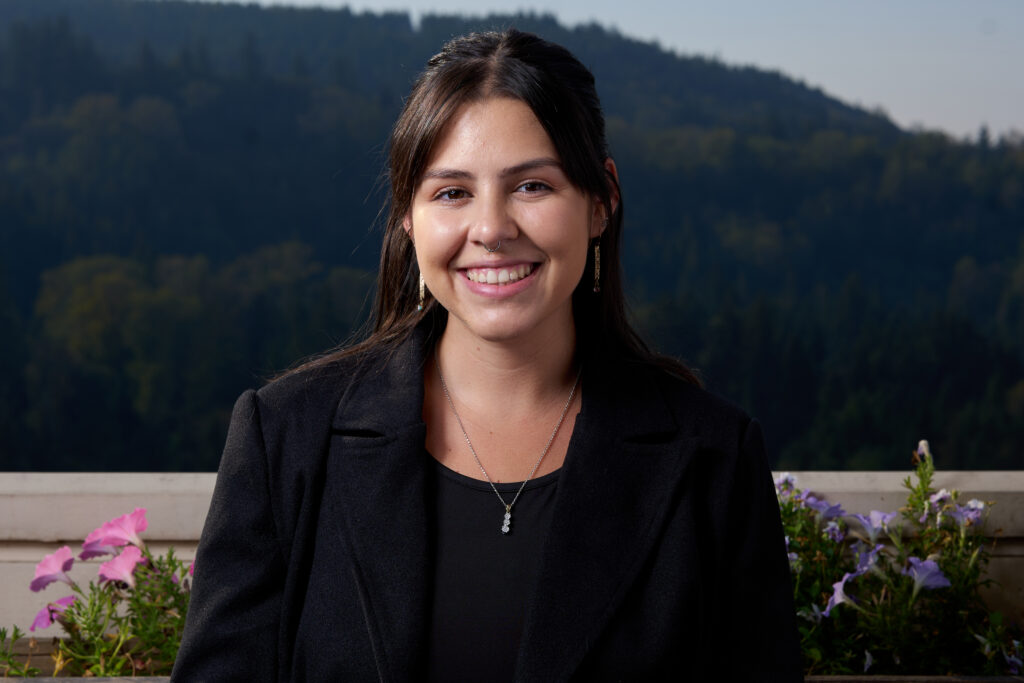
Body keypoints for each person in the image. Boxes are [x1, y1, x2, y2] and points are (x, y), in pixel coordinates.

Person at [171, 28, 801, 682]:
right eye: (452, 192)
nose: (492, 229)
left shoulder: (713, 458)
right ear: (407, 216)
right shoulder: (286, 440)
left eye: (532, 186)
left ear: (601, 201)